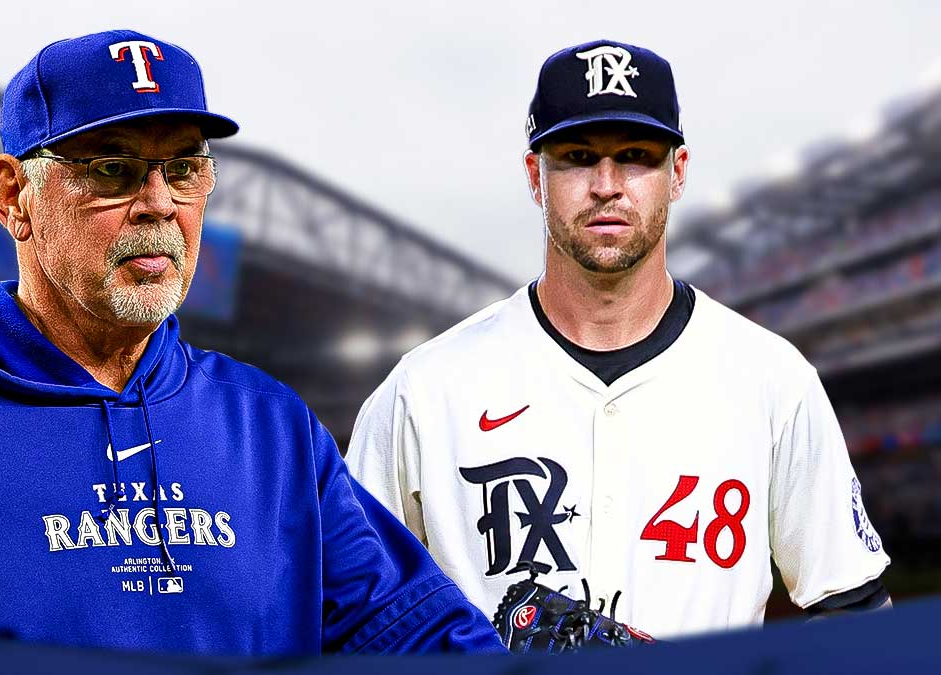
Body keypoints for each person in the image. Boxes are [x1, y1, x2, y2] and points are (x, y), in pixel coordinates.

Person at [0, 29, 505, 656]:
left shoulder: (272, 428)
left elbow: (414, 632)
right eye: (113, 169)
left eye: (183, 168)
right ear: (14, 197)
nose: (158, 203)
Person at [346, 39, 891, 640]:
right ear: (536, 175)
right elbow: (352, 614)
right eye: (578, 156)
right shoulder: (423, 390)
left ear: (677, 172)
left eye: (635, 156)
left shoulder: (770, 378)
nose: (606, 184)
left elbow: (856, 615)